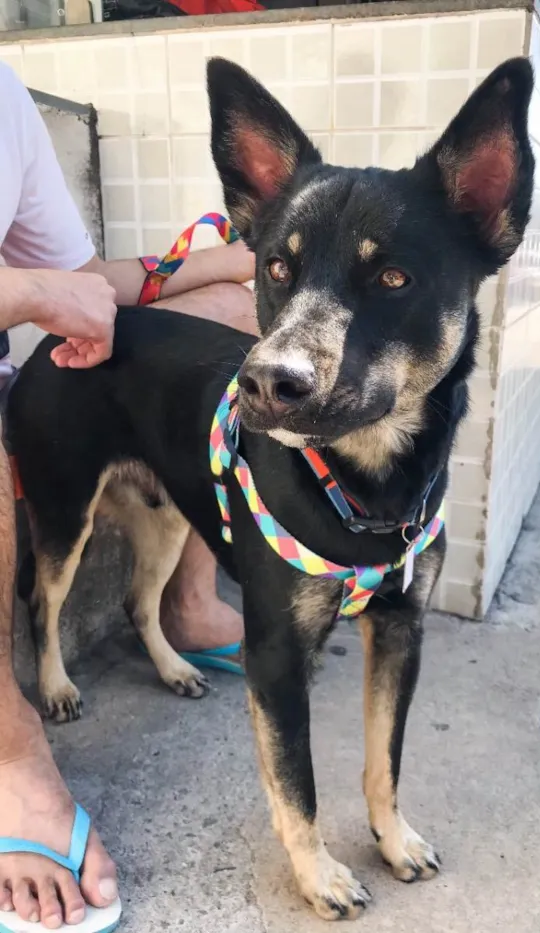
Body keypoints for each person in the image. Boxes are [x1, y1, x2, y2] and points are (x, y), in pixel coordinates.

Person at [0, 62, 257, 930]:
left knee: (230, 313)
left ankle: (182, 602)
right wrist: (32, 293)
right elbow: (51, 287)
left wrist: (224, 265)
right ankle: (12, 748)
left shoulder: (4, 97)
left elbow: (82, 275)